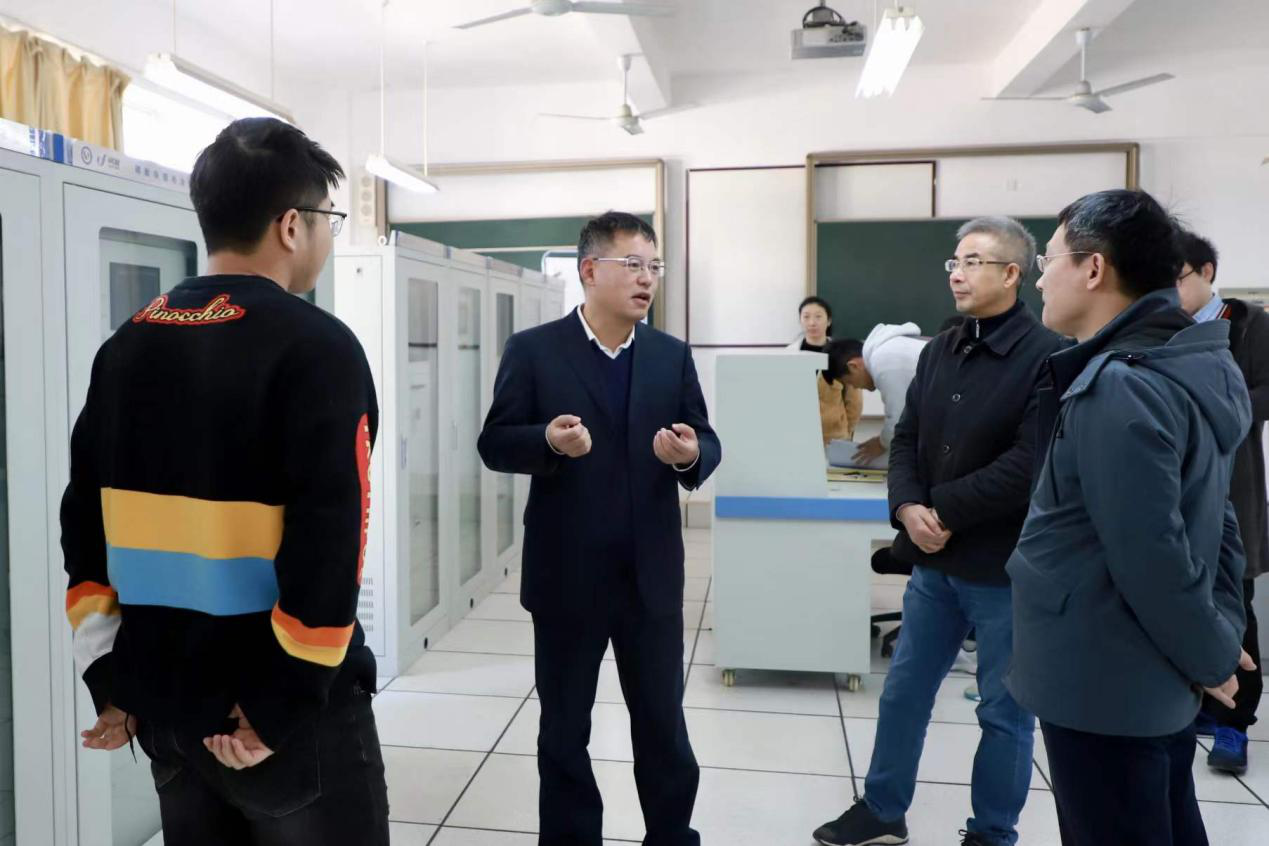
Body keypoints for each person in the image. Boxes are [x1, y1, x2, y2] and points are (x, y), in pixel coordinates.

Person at [62, 117, 388, 844]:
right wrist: (280, 703)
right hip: (277, 723)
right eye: (327, 220)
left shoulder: (127, 345)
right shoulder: (318, 347)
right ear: (292, 226)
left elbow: (83, 523)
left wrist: (111, 679)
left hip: (166, 711)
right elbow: (331, 539)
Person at [1008, 190, 1254, 846]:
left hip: (1102, 677)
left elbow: (1149, 551)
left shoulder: (1120, 384)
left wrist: (1210, 653)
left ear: (1093, 268)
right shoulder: (1193, 360)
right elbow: (1218, 517)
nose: (1039, 278)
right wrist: (1218, 633)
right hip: (1147, 672)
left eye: (1048, 260)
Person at [814, 216, 1063, 846]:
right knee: (903, 693)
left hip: (1003, 567)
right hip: (933, 565)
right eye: (955, 261)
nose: (957, 273)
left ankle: (992, 832)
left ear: (1012, 273)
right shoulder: (940, 350)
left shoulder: (1047, 356)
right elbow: (906, 440)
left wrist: (942, 511)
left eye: (974, 262)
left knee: (1003, 712)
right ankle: (882, 810)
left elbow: (1029, 463)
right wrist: (906, 507)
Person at [477, 211, 721, 846]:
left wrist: (689, 455)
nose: (648, 279)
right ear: (589, 270)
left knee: (663, 726)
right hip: (567, 577)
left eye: (654, 267)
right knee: (564, 730)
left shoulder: (669, 355)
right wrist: (547, 441)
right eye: (633, 265)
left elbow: (706, 438)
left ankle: (671, 835)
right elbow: (495, 442)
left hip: (650, 578)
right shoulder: (533, 350)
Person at [1175, 229, 1267, 774]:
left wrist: (1211, 402)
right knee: (1182, 594)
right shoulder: (1161, 328)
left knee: (1234, 601)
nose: (1170, 290)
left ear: (1206, 272)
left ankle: (1236, 724)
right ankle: (1199, 707)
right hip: (1178, 485)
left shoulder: (1248, 324)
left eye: (1178, 278)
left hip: (1234, 484)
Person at [834, 323, 925, 465]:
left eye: (850, 382)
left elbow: (900, 418)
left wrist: (881, 443)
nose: (855, 387)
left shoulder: (884, 361)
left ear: (854, 366)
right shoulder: (887, 350)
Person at [788, 296, 863, 445]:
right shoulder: (789, 354)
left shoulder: (841, 354)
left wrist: (847, 430)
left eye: (818, 316)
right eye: (806, 317)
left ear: (828, 321)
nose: (812, 322)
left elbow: (854, 399)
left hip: (834, 435)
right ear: (800, 320)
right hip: (798, 433)